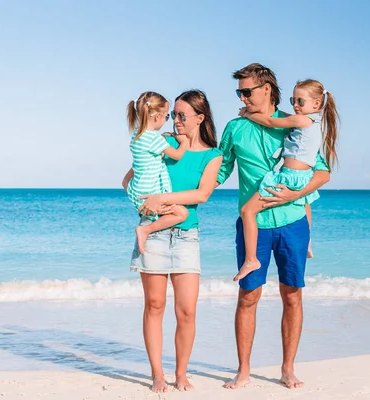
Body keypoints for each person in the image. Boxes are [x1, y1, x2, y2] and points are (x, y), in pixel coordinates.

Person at [216, 63, 331, 389]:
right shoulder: (235, 127)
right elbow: (220, 170)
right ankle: (244, 371)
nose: (241, 97)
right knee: (248, 296)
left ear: (267, 89)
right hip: (255, 225)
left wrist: (295, 193)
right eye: (239, 92)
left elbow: (320, 172)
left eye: (246, 91)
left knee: (292, 295)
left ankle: (288, 368)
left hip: (294, 220)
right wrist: (179, 175)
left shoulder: (295, 122)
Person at [122, 90, 223, 393]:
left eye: (182, 116)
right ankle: (157, 374)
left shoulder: (212, 155)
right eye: (174, 114)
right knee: (154, 305)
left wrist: (161, 198)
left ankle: (181, 374)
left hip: (185, 236)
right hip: (152, 230)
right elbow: (131, 178)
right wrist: (141, 203)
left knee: (187, 311)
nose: (176, 121)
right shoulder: (160, 142)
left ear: (200, 118)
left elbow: (201, 194)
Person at [233, 78, 339, 282]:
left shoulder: (301, 121)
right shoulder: (314, 121)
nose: (295, 106)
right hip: (303, 177)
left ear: (316, 103)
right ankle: (306, 243)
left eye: (300, 101)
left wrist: (248, 114)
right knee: (304, 203)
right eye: (293, 100)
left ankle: (251, 259)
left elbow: (272, 122)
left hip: (288, 176)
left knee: (247, 210)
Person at [125, 91, 190, 254]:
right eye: (167, 117)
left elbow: (149, 156)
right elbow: (177, 155)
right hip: (150, 194)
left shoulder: (136, 136)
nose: (168, 120)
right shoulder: (154, 139)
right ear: (156, 117)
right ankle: (145, 230)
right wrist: (184, 142)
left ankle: (146, 228)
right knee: (182, 213)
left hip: (137, 193)